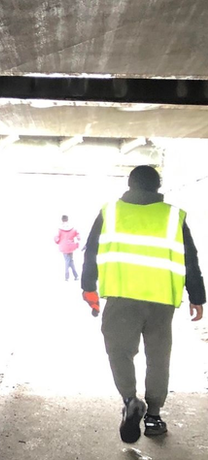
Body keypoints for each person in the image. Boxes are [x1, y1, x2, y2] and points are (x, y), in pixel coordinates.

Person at [81, 165, 205, 443]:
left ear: (130, 184)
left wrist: (88, 287)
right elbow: (190, 258)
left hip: (121, 296)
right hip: (161, 300)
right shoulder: (173, 215)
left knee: (120, 352)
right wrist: (197, 296)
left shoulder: (110, 212)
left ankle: (130, 399)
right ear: (158, 187)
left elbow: (91, 250)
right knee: (158, 358)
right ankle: (154, 416)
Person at [55, 215, 81, 281]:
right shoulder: (71, 227)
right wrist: (78, 239)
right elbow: (77, 234)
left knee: (67, 261)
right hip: (71, 246)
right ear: (67, 219)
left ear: (62, 220)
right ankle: (76, 275)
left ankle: (67, 276)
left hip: (64, 247)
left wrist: (58, 242)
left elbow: (56, 238)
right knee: (70, 260)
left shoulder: (60, 229)